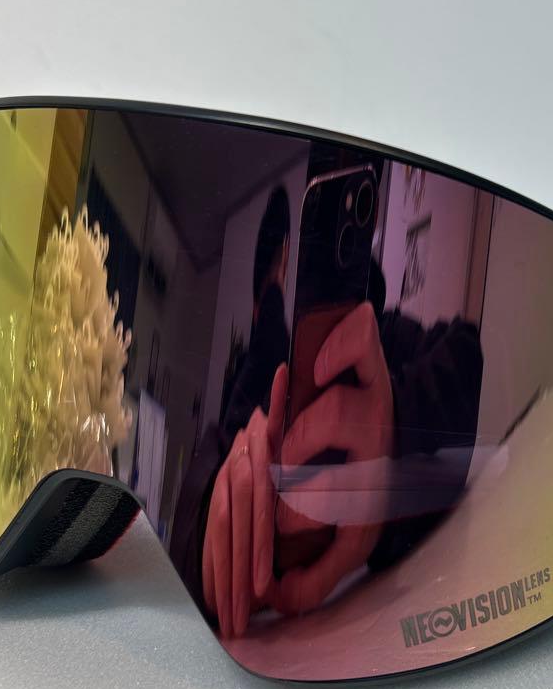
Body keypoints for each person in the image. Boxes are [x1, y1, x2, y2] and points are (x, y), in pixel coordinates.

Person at [170, 186, 484, 638]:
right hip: (286, 631)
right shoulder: (280, 371)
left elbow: (464, 359)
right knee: (266, 377)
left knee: (269, 364)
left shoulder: (390, 340)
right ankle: (271, 305)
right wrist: (211, 524)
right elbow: (222, 451)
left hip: (360, 626)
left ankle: (271, 302)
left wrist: (390, 440)